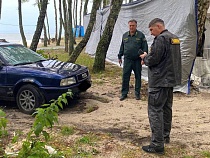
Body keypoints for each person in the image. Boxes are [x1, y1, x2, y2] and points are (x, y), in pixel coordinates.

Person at [140, 18, 182, 154]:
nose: (151, 33)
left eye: (152, 29)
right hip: (170, 80)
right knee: (166, 108)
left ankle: (157, 144)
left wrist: (145, 58)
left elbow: (154, 59)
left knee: (155, 110)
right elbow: (169, 58)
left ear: (159, 26)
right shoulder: (174, 38)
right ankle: (164, 136)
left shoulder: (161, 39)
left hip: (159, 81)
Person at [118, 19, 148, 101]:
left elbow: (145, 47)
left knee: (138, 76)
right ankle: (124, 93)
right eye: (130, 25)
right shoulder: (125, 35)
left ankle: (137, 93)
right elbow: (122, 47)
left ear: (136, 26)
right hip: (127, 60)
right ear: (128, 26)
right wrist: (119, 56)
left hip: (137, 60)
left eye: (133, 25)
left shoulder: (141, 35)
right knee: (125, 76)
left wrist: (144, 59)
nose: (131, 27)